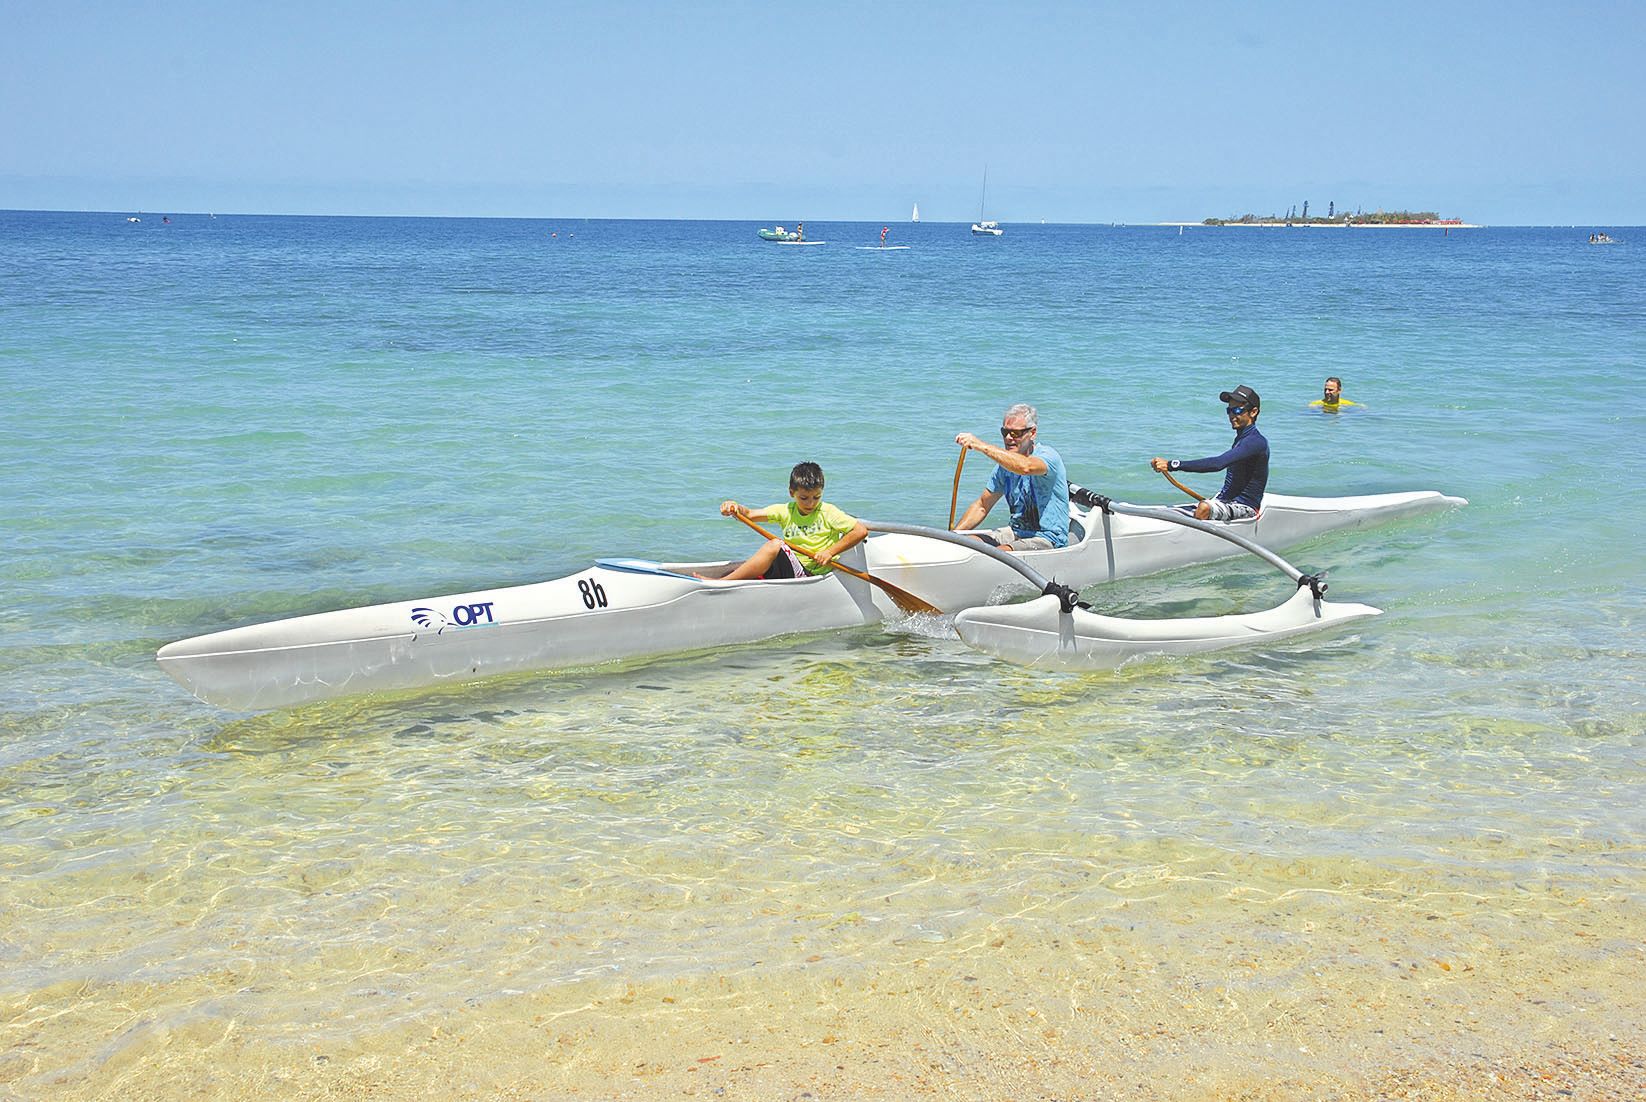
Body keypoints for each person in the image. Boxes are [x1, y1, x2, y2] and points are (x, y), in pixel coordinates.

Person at [708, 461, 868, 581]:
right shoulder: (785, 510)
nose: (811, 503)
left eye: (816, 497)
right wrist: (734, 507)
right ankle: (733, 579)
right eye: (804, 498)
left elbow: (860, 531)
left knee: (775, 545)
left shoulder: (828, 512)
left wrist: (829, 552)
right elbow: (749, 514)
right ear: (792, 493)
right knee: (774, 550)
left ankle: (722, 583)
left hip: (810, 574)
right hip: (790, 568)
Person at [953, 403, 1070, 551]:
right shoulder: (1004, 467)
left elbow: (1026, 467)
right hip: (1015, 532)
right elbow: (982, 506)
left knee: (998, 553)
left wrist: (980, 445)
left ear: (1032, 433)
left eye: (1015, 433)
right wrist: (952, 537)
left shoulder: (1048, 456)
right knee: (967, 543)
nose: (1008, 438)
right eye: (1005, 432)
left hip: (1048, 537)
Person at [1151, 384, 1269, 522]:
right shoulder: (1242, 438)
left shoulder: (1256, 442)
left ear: (1253, 412)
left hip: (1245, 508)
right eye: (1229, 410)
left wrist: (1172, 465)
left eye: (1237, 410)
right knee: (1162, 512)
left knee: (1204, 508)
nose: (1232, 415)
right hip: (1223, 501)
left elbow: (1217, 464)